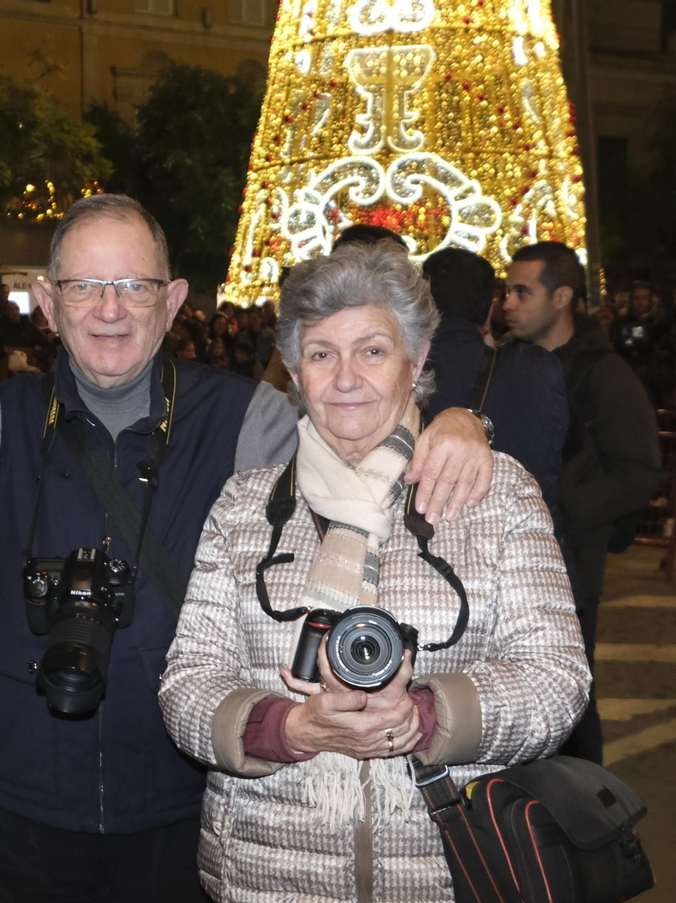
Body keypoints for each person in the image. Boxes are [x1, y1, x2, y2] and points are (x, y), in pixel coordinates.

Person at [0, 195, 495, 903]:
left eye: (135, 286)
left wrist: (455, 421)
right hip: (28, 797)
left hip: (188, 793)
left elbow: (359, 425)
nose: (110, 310)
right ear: (48, 302)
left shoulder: (244, 417)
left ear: (174, 300)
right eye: (85, 286)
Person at [158, 240, 590, 902]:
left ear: (415, 363)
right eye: (321, 353)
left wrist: (424, 714)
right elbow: (186, 683)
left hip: (453, 871)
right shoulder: (247, 506)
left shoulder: (497, 494)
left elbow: (558, 680)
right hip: (268, 878)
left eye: (373, 350)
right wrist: (286, 727)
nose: (346, 376)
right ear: (295, 373)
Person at [502, 240, 660, 764]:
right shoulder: (505, 364)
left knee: (571, 703)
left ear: (563, 296)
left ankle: (591, 822)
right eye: (507, 291)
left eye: (523, 292)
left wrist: (564, 512)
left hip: (570, 565)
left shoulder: (604, 374)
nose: (508, 303)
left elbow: (639, 471)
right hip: (504, 562)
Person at [415, 246, 568, 512]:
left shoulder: (399, 366)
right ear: (487, 314)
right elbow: (549, 467)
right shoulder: (537, 368)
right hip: (517, 525)